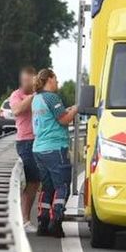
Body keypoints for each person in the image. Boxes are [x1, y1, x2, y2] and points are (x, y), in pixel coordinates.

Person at [31, 68, 78, 237]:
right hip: (55, 148)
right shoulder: (52, 97)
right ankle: (56, 221)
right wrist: (75, 109)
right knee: (62, 186)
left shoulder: (36, 99)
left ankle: (42, 221)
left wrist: (66, 110)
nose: (57, 82)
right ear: (49, 79)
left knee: (47, 186)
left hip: (39, 148)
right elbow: (64, 119)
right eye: (56, 78)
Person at [9, 66, 40, 230]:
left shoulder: (41, 95)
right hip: (26, 141)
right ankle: (24, 219)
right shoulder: (16, 95)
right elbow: (17, 110)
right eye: (24, 80)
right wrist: (33, 96)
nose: (26, 83)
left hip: (40, 141)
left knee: (35, 182)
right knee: (31, 180)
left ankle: (25, 218)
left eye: (30, 80)